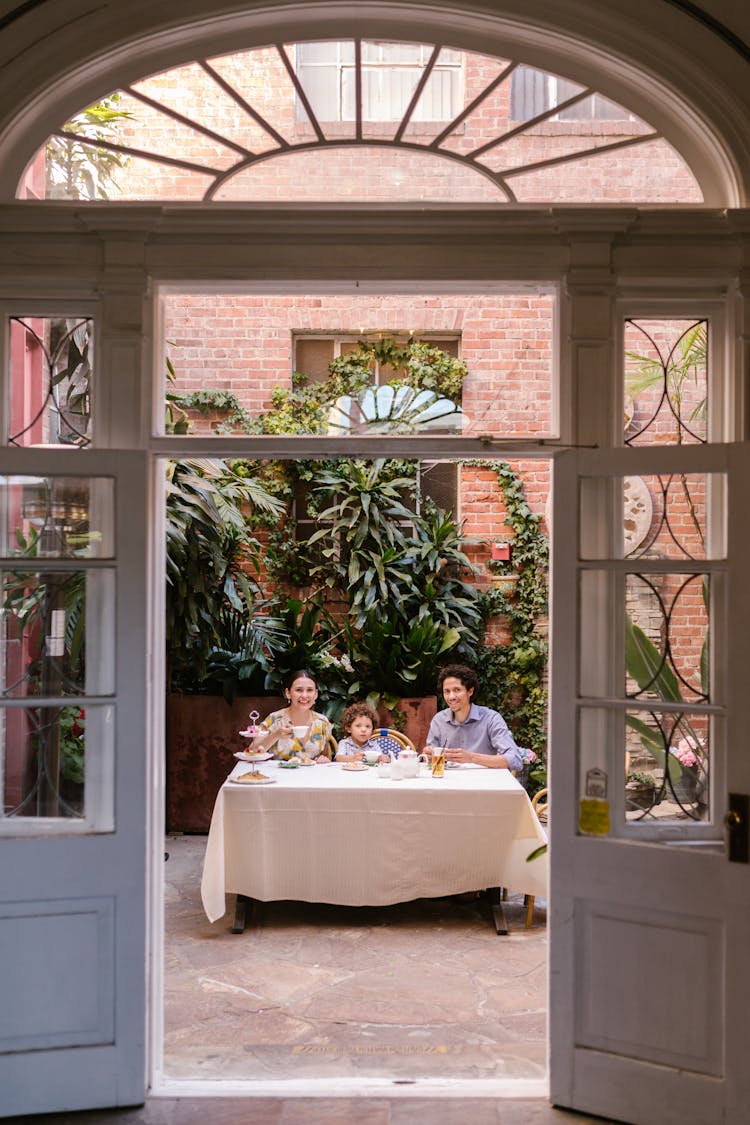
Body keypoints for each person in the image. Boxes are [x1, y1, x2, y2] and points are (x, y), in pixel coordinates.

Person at [425, 663, 523, 771]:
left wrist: (471, 758)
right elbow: (431, 758)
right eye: (447, 691)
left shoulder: (491, 718)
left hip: (484, 784)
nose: (451, 697)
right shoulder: (438, 720)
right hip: (449, 783)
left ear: (470, 691)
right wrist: (429, 755)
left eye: (457, 690)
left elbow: (515, 760)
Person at [250, 669, 332, 761]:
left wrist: (324, 760)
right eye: (298, 690)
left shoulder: (322, 722)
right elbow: (251, 753)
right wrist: (276, 735)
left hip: (311, 775)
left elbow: (326, 757)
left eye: (309, 690)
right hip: (278, 774)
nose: (304, 695)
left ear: (316, 694)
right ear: (288, 693)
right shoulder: (274, 719)